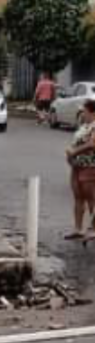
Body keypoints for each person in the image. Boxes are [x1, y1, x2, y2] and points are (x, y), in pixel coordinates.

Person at [66, 100, 95, 240]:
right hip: (77, 166)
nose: (82, 113)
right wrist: (70, 156)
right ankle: (78, 228)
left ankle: (94, 229)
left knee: (91, 198)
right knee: (78, 197)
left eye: (84, 110)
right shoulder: (84, 126)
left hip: (90, 166)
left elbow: (92, 144)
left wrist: (74, 152)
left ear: (91, 111)